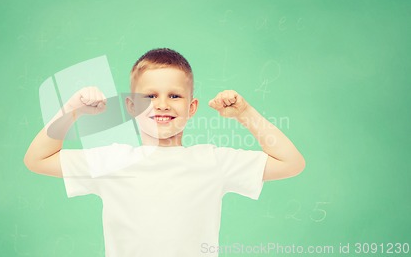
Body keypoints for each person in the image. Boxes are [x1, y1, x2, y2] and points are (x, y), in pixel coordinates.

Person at [24, 48, 305, 257]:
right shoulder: (112, 161)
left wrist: (245, 113)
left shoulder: (213, 161)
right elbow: (37, 158)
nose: (161, 105)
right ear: (131, 106)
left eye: (174, 95)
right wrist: (73, 110)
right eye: (149, 96)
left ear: (192, 107)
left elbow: (291, 163)